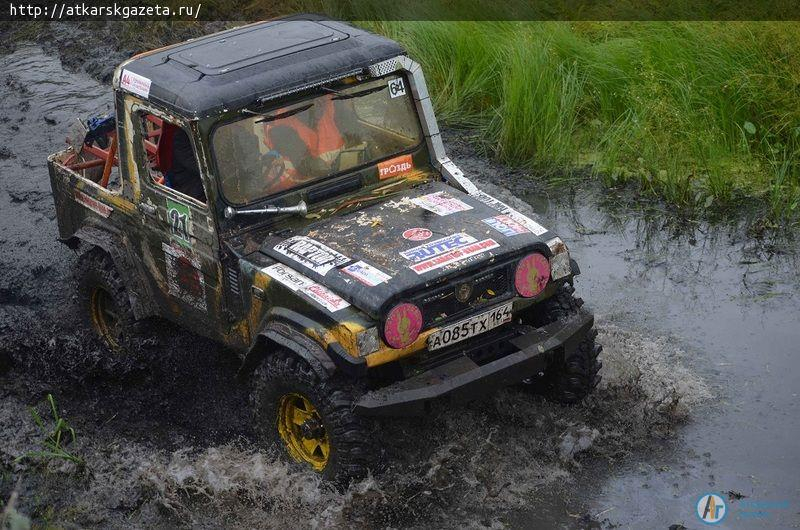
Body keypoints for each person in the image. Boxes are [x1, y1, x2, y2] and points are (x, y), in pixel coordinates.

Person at [166, 128, 206, 202]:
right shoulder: (181, 138)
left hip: (198, 176)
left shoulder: (205, 131)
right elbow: (197, 166)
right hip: (188, 181)